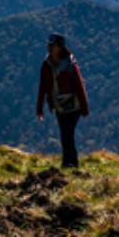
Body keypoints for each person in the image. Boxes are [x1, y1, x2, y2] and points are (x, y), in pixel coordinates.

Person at [35, 32, 89, 168]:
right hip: (59, 106)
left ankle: (70, 163)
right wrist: (39, 108)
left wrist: (84, 107)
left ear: (59, 47)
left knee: (67, 134)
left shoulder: (70, 65)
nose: (49, 48)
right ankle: (70, 163)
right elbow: (42, 87)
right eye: (49, 45)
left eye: (52, 45)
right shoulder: (46, 65)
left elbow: (79, 85)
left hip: (74, 106)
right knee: (65, 135)